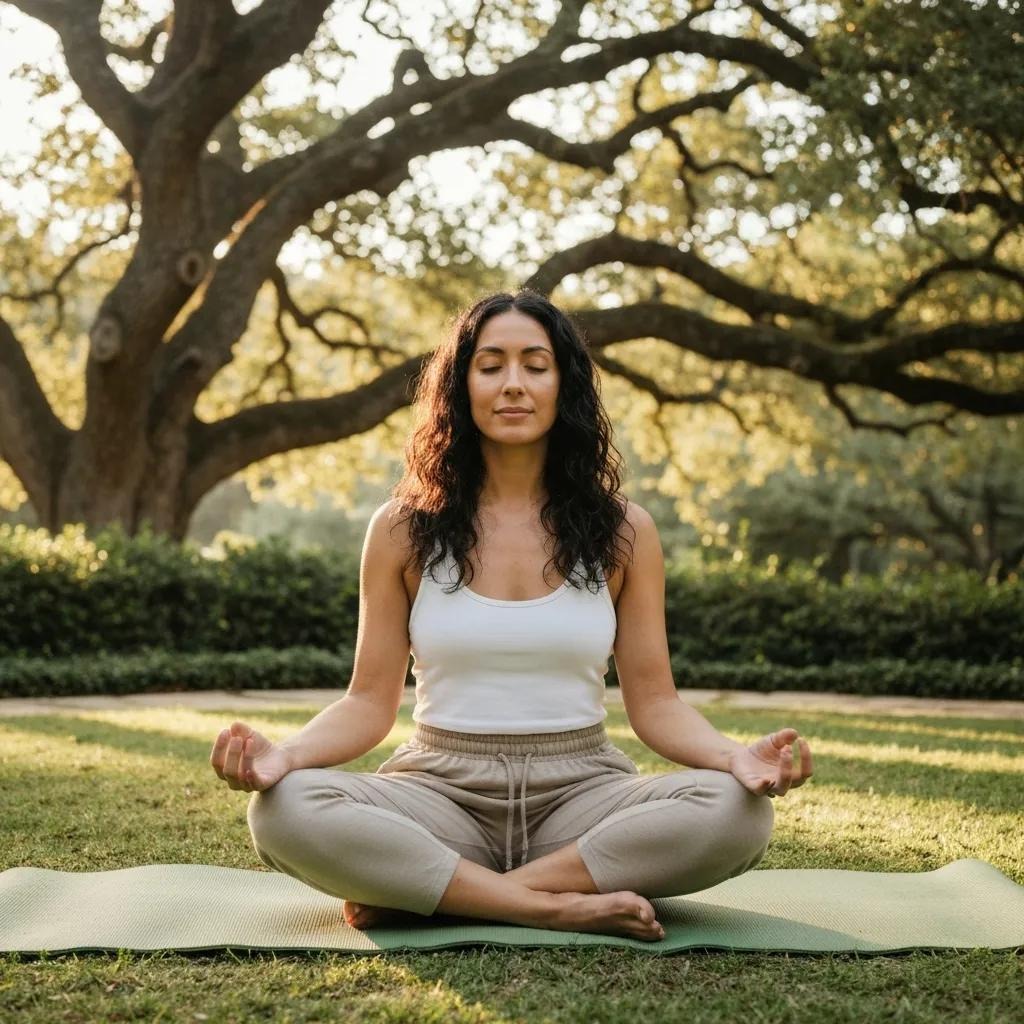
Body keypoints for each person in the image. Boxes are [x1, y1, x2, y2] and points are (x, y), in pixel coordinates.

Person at [210, 290, 813, 942]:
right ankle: (553, 904)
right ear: (460, 385)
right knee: (285, 809)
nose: (514, 385)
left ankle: (445, 894)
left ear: (565, 384)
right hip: (440, 795)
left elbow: (657, 704)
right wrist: (287, 754)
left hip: (581, 797)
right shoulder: (402, 530)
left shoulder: (623, 533)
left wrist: (734, 758)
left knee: (735, 812)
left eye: (536, 364)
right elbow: (367, 703)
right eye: (491, 365)